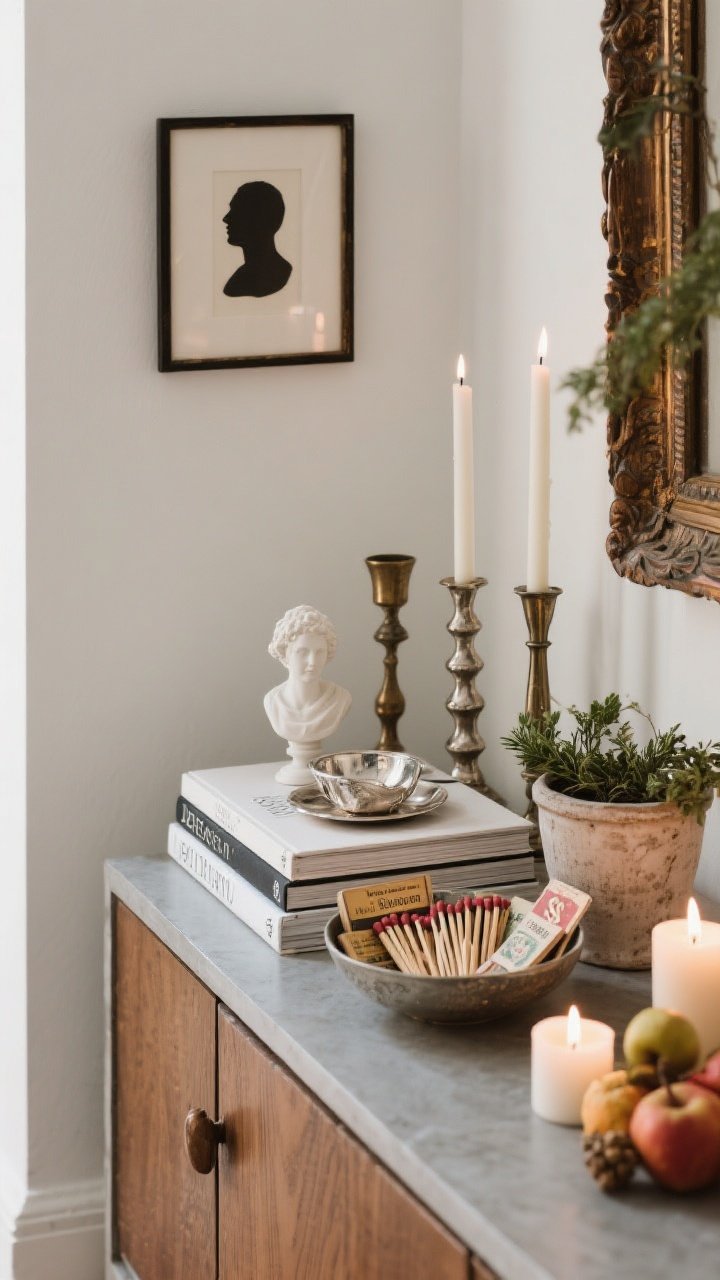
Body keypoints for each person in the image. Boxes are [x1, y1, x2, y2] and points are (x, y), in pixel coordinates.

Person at [264, 606, 352, 783]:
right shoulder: (273, 702)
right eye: (302, 652)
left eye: (320, 652)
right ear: (284, 654)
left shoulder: (340, 698)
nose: (312, 662)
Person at [222, 181, 292, 298]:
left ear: (258, 220)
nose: (226, 218)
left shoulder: (240, 281)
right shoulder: (240, 279)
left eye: (237, 211)